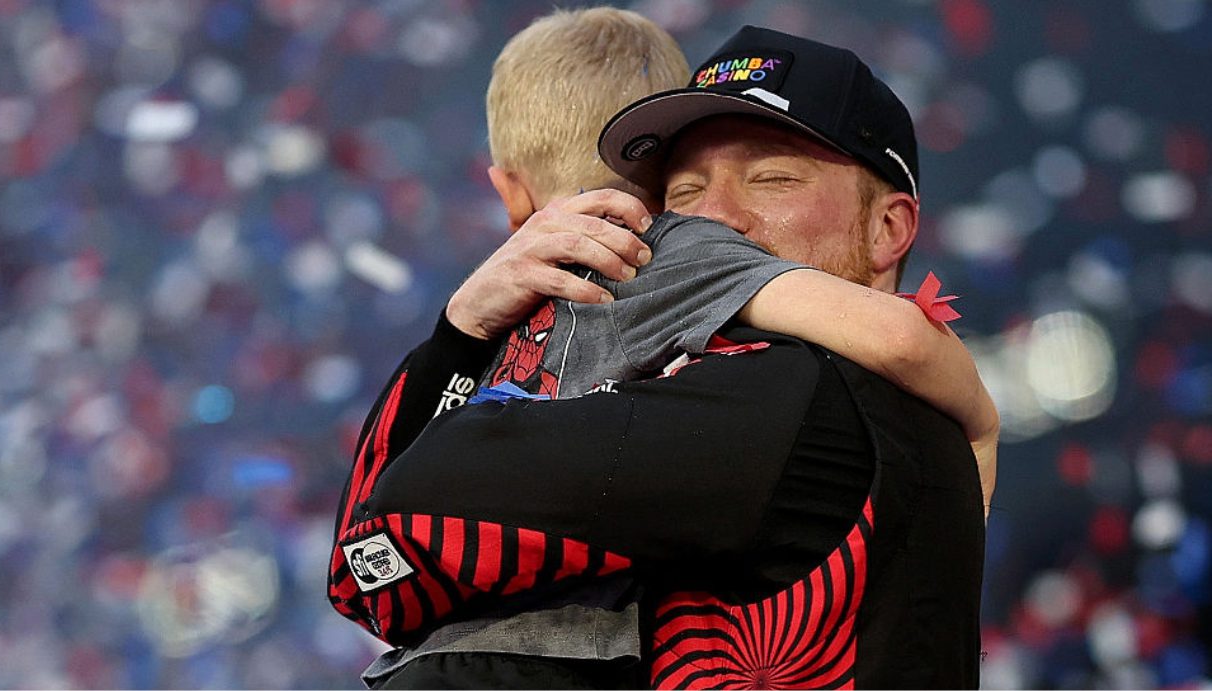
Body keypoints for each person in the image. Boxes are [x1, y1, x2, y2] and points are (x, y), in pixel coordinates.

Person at [331, 18, 995, 690]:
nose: (711, 219)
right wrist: (463, 330)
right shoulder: (709, 375)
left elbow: (399, 518)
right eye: (681, 193)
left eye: (771, 178)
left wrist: (982, 420)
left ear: (889, 227)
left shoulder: (805, 391)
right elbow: (370, 568)